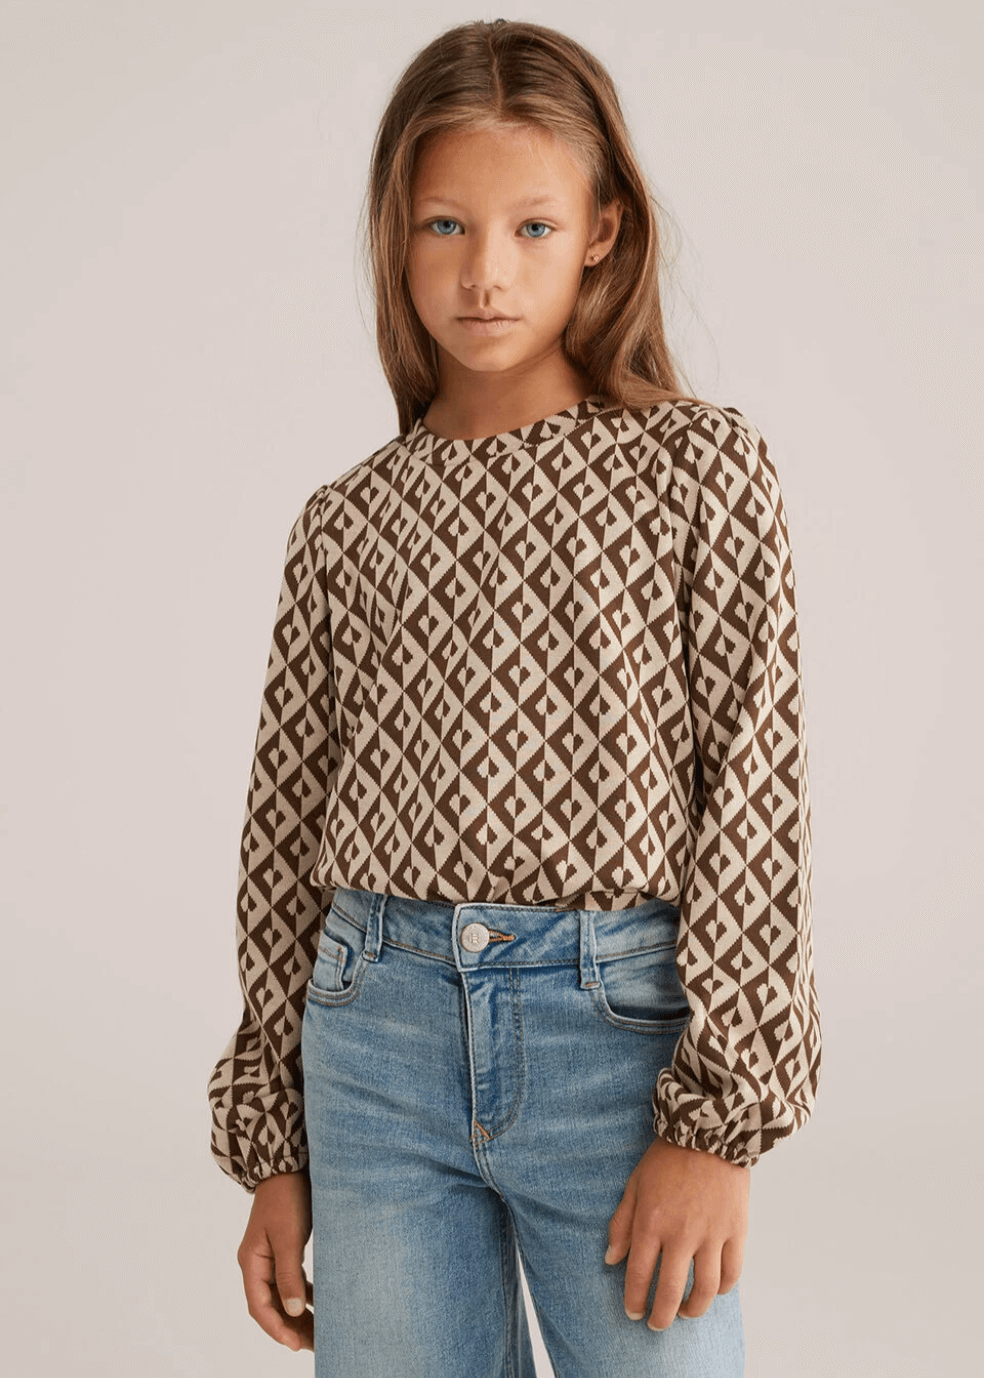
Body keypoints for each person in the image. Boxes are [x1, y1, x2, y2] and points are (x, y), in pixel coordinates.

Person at [206, 17, 821, 1377]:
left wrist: (719, 1125)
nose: (483, 271)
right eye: (445, 225)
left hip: (621, 1045)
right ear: (395, 234)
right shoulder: (347, 522)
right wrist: (277, 1145)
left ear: (603, 230)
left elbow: (756, 801)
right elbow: (284, 835)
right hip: (373, 1046)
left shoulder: (699, 473)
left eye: (531, 227)